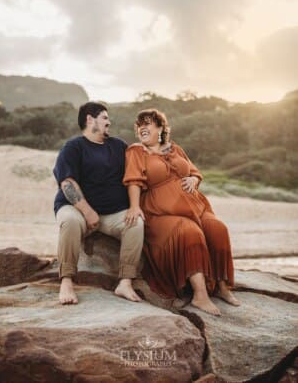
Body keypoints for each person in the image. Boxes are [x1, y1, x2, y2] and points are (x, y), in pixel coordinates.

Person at [123, 108, 241, 316]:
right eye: (139, 124)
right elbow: (133, 180)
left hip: (195, 206)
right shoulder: (136, 151)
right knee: (190, 232)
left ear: (160, 128)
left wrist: (194, 179)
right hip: (159, 213)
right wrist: (134, 206)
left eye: (148, 123)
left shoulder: (175, 148)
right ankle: (200, 295)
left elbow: (194, 171)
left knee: (218, 229)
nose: (142, 127)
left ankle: (222, 287)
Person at [53, 102, 144, 305]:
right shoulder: (73, 147)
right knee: (69, 221)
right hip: (78, 210)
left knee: (136, 224)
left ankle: (125, 282)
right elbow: (67, 183)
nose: (108, 122)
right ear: (89, 119)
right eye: (104, 117)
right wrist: (87, 211)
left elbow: (136, 172)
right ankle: (67, 281)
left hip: (113, 214)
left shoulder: (118, 146)